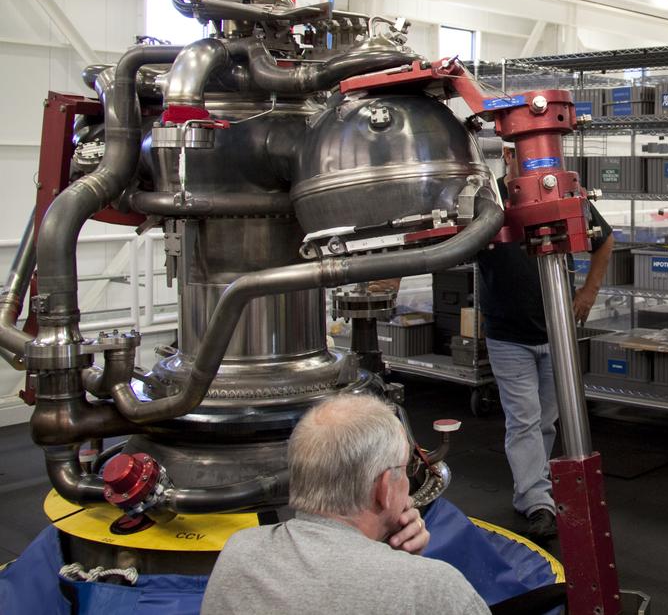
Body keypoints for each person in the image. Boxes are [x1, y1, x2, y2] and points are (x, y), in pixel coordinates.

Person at [201, 394, 489, 615]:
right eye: (405, 468)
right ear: (385, 488)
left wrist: (391, 559)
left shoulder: (239, 554)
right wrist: (410, 571)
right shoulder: (438, 590)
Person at [475, 144, 614, 543]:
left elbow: (604, 239)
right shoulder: (487, 198)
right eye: (529, 155)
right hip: (508, 335)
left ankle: (538, 487)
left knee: (546, 421)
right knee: (523, 420)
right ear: (507, 154)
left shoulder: (562, 194)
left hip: (556, 330)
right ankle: (535, 501)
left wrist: (588, 292)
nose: (540, 166)